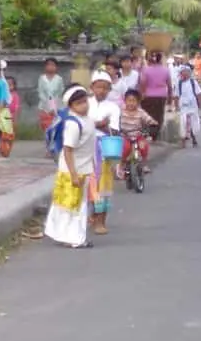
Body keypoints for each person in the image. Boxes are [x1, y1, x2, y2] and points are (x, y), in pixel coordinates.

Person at [43, 85, 96, 249]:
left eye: (85, 101)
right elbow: (68, 150)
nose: (84, 106)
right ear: (71, 106)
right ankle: (75, 238)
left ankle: (64, 235)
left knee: (70, 204)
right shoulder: (73, 124)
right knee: (74, 206)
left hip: (83, 169)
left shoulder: (87, 120)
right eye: (79, 103)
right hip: (73, 170)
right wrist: (73, 174)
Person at [89, 71, 120, 236]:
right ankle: (91, 215)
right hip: (85, 147)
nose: (101, 91)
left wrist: (99, 126)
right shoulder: (85, 103)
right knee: (87, 183)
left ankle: (101, 220)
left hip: (104, 148)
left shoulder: (113, 107)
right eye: (98, 86)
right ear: (92, 87)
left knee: (103, 186)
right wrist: (100, 123)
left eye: (105, 88)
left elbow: (113, 130)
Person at [117, 89, 157, 177]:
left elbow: (148, 119)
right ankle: (121, 165)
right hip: (125, 135)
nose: (131, 103)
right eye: (129, 100)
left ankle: (144, 164)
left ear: (138, 102)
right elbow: (115, 119)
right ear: (125, 101)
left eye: (134, 101)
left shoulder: (140, 112)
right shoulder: (121, 111)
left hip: (137, 135)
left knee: (143, 146)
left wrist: (153, 123)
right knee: (125, 148)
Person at [138, 51, 172, 139]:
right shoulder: (166, 70)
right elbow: (169, 85)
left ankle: (146, 133)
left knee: (147, 115)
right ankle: (155, 135)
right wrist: (170, 98)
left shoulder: (146, 69)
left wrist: (142, 94)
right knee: (158, 115)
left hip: (148, 96)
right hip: (161, 96)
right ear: (160, 59)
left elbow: (143, 83)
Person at [174, 65, 201, 148]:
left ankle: (194, 138)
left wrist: (199, 104)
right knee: (183, 123)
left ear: (188, 73)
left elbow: (199, 93)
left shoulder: (193, 82)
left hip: (193, 105)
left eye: (185, 72)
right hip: (183, 106)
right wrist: (176, 106)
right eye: (181, 73)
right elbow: (176, 96)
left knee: (194, 123)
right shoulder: (178, 83)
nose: (183, 74)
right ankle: (183, 141)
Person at [37, 58, 65, 135]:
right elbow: (40, 92)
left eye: (53, 65)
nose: (50, 67)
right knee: (46, 126)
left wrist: (53, 106)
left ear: (56, 67)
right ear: (45, 67)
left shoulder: (59, 79)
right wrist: (47, 104)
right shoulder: (42, 78)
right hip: (44, 105)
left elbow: (60, 92)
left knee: (56, 125)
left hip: (56, 105)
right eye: (48, 65)